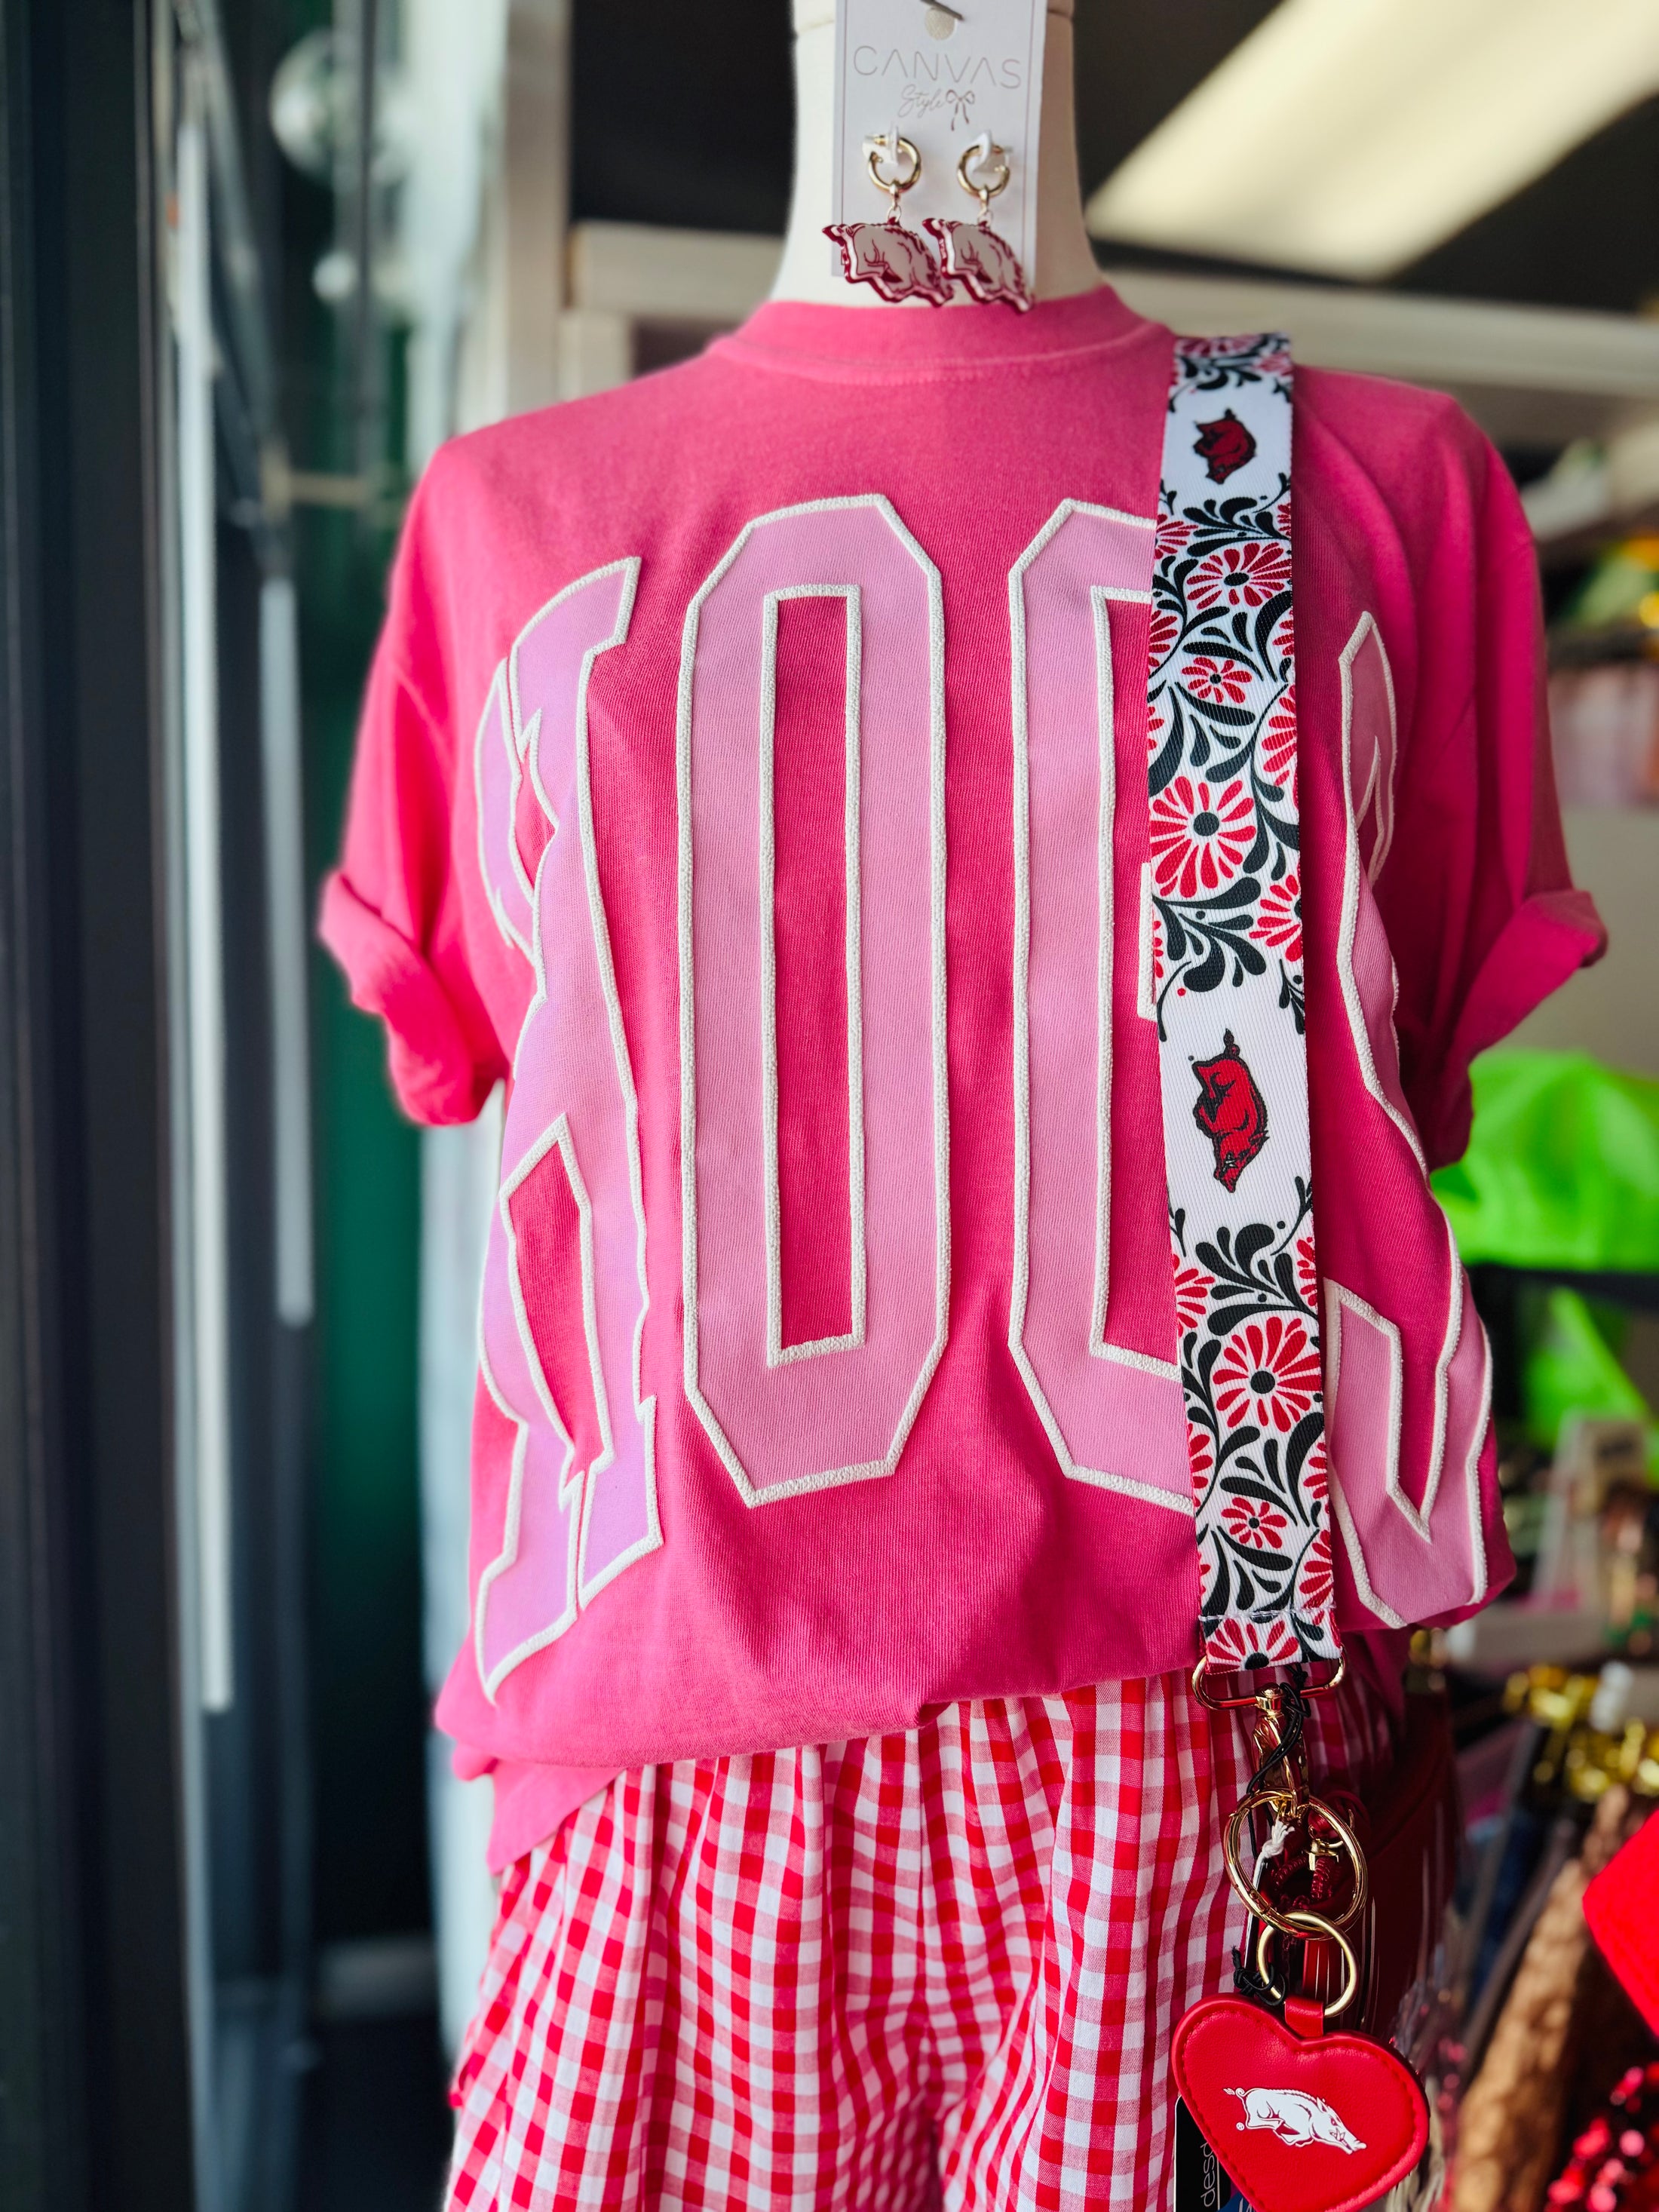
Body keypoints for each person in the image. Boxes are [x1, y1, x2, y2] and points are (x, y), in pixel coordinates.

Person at [322, 5, 1605, 2203]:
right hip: (702, 1802)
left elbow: (451, 1048)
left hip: (1187, 1785)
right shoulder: (494, 528)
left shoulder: (1382, 497)